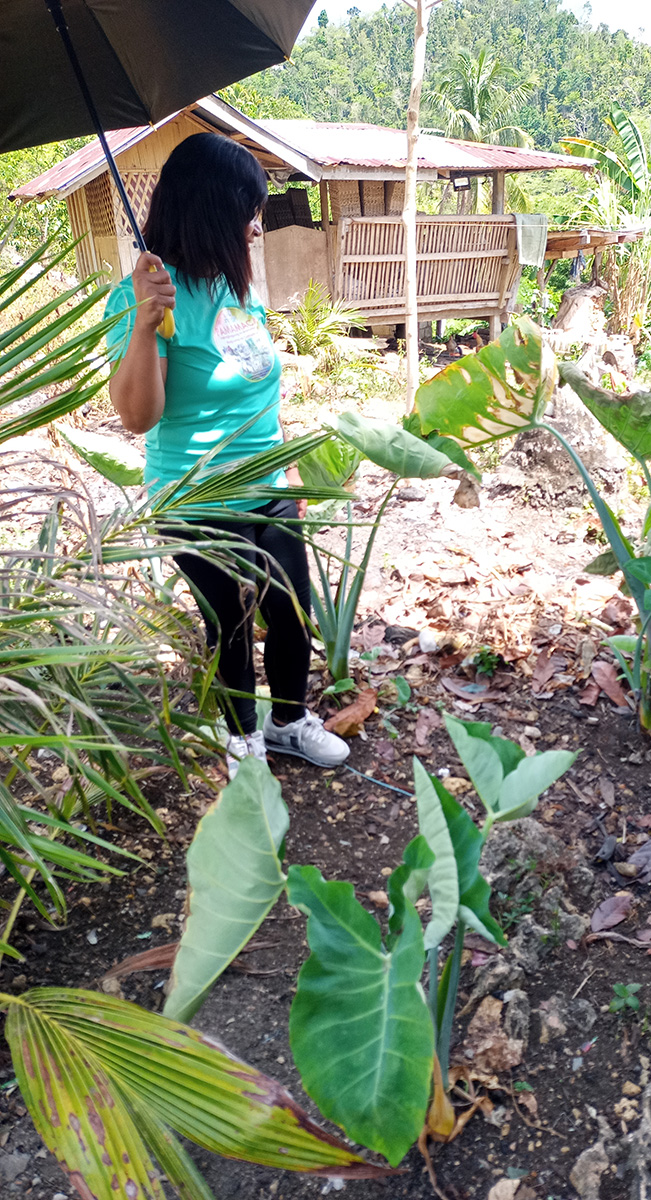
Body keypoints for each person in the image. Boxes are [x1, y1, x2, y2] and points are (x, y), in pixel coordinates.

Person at [106, 132, 348, 779]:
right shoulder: (146, 296)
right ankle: (241, 737)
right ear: (213, 211)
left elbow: (257, 387)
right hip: (197, 497)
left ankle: (290, 722)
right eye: (249, 210)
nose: (258, 225)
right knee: (231, 621)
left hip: (267, 484)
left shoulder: (237, 288)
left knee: (293, 612)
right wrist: (142, 324)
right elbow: (137, 416)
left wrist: (287, 467)